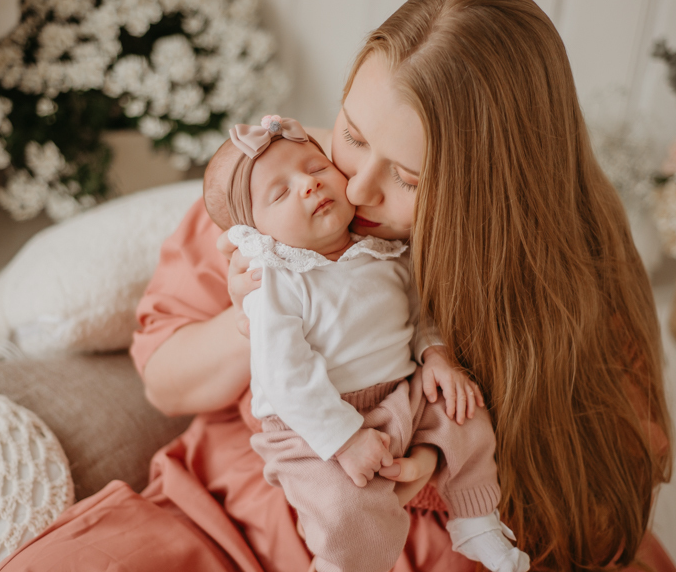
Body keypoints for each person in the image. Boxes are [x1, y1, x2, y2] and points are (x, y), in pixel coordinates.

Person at [0, 0, 676, 571]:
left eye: (409, 179)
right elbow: (165, 383)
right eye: (352, 134)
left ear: (494, 190)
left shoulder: (570, 272)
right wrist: (257, 310)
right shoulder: (275, 193)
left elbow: (600, 494)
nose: (355, 188)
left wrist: (433, 465)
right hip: (227, 518)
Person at [203, 115, 529, 572]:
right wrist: (345, 438)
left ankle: (476, 521)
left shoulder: (383, 251)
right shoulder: (275, 281)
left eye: (317, 168)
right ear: (253, 233)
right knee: (342, 506)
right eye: (280, 193)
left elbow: (418, 312)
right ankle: (341, 567)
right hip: (311, 423)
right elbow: (284, 376)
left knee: (463, 410)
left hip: (399, 394)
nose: (309, 185)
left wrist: (435, 354)